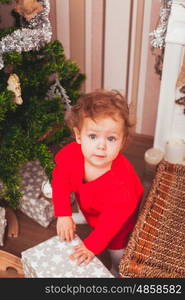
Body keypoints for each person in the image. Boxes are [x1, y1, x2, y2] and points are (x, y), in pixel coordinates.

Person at [51, 89, 144, 277]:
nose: (101, 146)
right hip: (91, 203)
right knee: (86, 205)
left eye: (111, 138)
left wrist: (91, 246)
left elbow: (111, 223)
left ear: (122, 142)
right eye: (93, 136)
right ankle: (88, 216)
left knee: (116, 247)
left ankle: (118, 269)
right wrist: (63, 214)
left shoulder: (121, 185)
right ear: (79, 136)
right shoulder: (71, 155)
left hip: (118, 218)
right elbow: (59, 181)